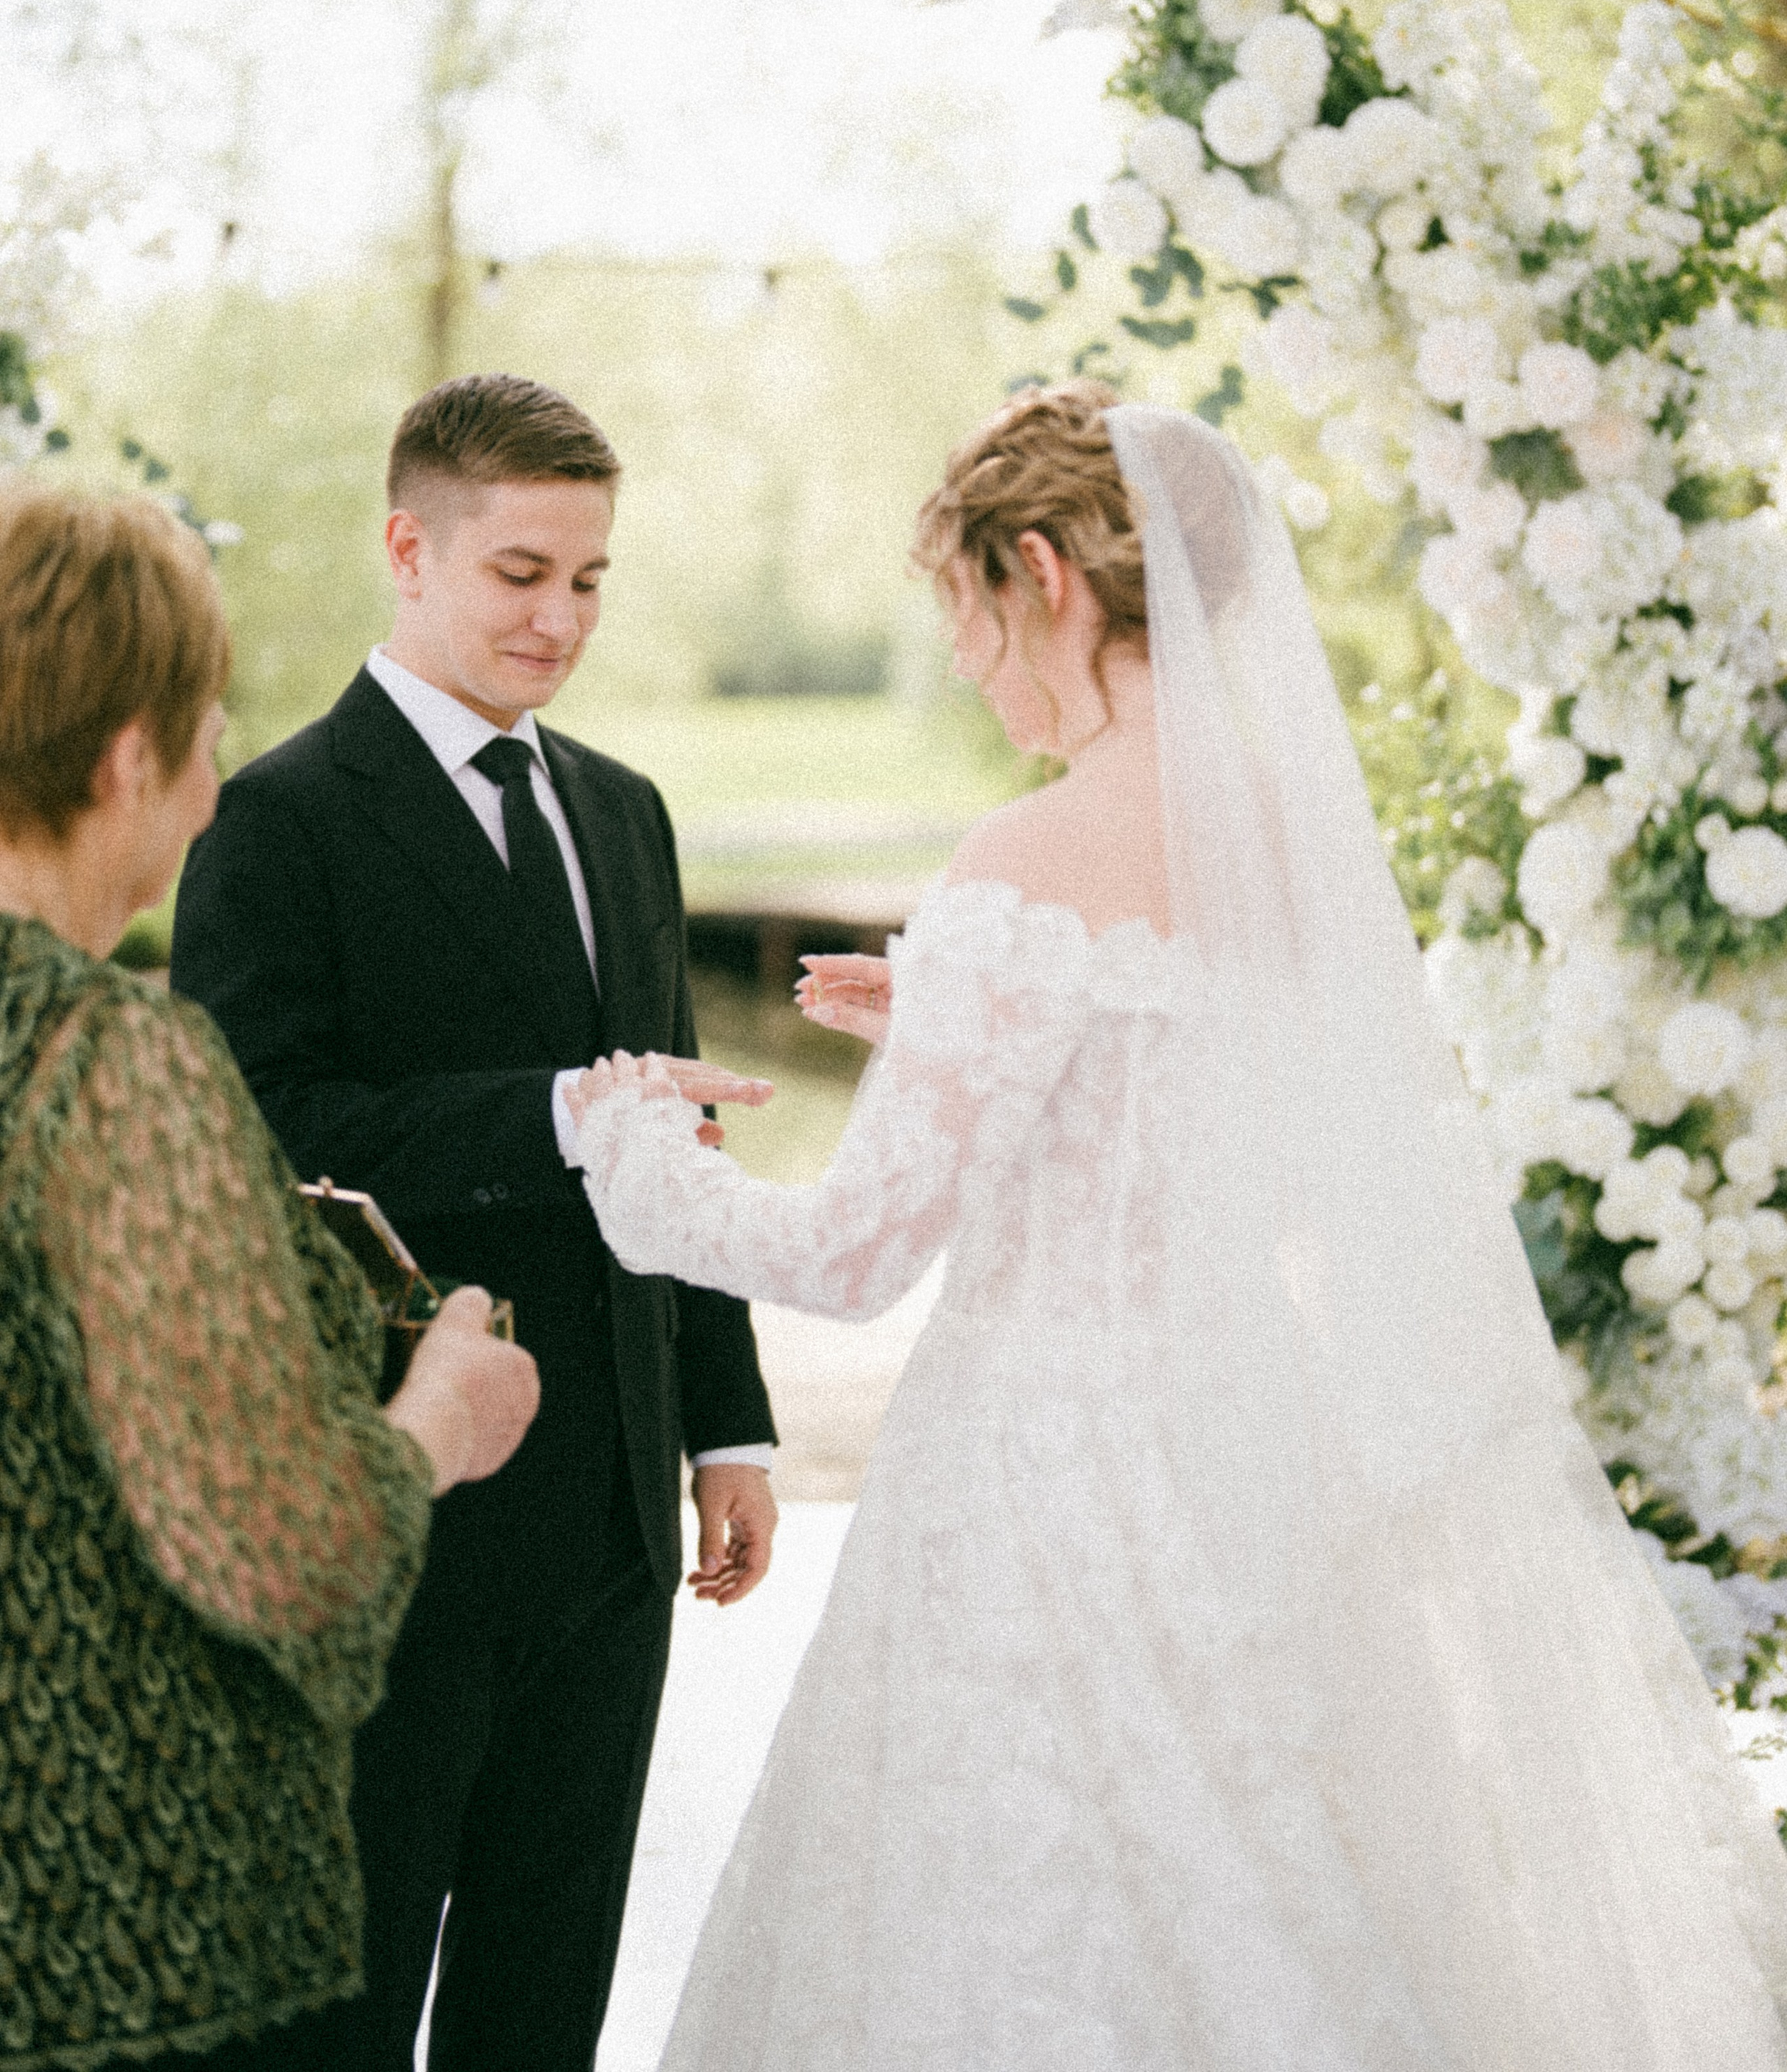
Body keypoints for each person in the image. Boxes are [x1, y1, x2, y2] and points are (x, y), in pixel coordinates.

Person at [572, 383, 1787, 2071]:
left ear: (1040, 570)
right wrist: (941, 1027)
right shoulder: (1286, 852)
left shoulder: (1025, 854)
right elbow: (1226, 1122)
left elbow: (848, 1258)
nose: (977, 673)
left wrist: (631, 1156)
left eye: (969, 619)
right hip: (1260, 1453)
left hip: (1036, 1484)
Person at [170, 372, 778, 2072]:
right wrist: (553, 1114)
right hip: (399, 1518)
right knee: (346, 2009)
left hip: (613, 1521)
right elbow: (266, 1128)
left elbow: (671, 1145)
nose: (560, 619)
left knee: (546, 1998)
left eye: (590, 580)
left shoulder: (628, 814)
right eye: (521, 573)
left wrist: (722, 1420)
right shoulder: (275, 822)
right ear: (405, 548)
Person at [0, 483, 539, 2072]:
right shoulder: (108, 1064)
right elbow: (279, 1546)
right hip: (114, 1926)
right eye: (207, 730)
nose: (218, 781)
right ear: (125, 757)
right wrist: (438, 1407)